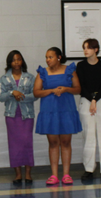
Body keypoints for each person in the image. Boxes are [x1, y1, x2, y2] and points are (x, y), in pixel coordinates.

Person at [34, 46, 81, 186]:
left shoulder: (70, 70)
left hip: (66, 110)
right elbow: (36, 92)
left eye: (50, 57)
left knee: (66, 142)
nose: (47, 60)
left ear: (59, 57)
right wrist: (51, 91)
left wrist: (66, 89)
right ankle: (54, 175)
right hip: (49, 110)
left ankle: (66, 174)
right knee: (53, 143)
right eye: (46, 57)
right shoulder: (42, 72)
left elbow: (78, 89)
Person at [75, 38, 101, 182]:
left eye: (89, 48)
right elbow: (81, 86)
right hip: (86, 101)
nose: (86, 50)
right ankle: (89, 169)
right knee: (88, 136)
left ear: (96, 49)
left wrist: (95, 100)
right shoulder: (81, 66)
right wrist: (91, 99)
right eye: (84, 48)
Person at [0, 49, 35, 185]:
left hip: (27, 115)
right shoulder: (4, 78)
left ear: (22, 61)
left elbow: (35, 95)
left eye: (19, 59)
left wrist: (21, 97)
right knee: (14, 145)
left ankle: (28, 174)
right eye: (13, 60)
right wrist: (12, 92)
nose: (16, 62)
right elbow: (1, 97)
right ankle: (18, 174)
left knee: (27, 143)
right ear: (9, 63)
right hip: (12, 116)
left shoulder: (30, 77)